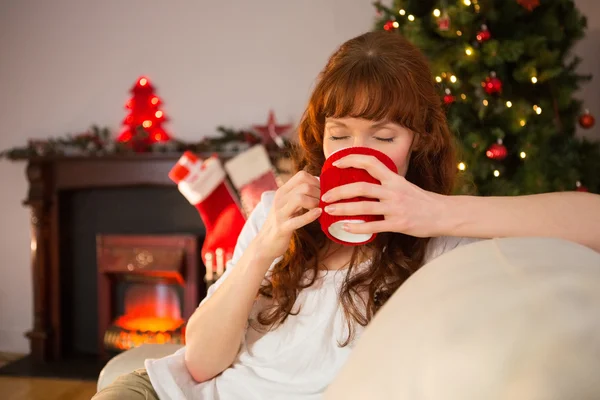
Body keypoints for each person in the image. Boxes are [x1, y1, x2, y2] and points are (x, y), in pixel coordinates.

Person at [93, 31, 600, 400]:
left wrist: (434, 212)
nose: (356, 152)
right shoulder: (278, 213)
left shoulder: (437, 239)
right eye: (339, 134)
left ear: (418, 141)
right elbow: (200, 363)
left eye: (383, 137)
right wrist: (265, 245)